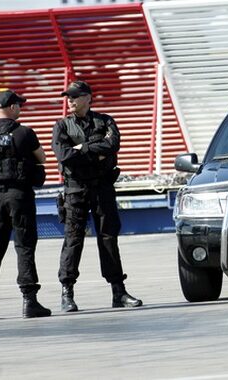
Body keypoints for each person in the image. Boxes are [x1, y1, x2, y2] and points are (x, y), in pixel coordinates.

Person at [52, 80, 142, 311]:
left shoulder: (105, 120)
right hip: (75, 189)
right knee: (73, 239)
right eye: (68, 97)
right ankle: (67, 292)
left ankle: (118, 292)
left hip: (102, 187)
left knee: (108, 237)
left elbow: (113, 144)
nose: (70, 100)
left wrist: (82, 148)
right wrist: (94, 149)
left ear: (88, 98)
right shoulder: (62, 125)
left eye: (75, 96)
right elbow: (64, 155)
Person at [0, 90, 51, 320]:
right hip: (19, 196)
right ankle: (30, 301)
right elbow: (42, 158)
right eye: (18, 105)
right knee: (25, 245)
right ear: (10, 107)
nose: (20, 108)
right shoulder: (23, 133)